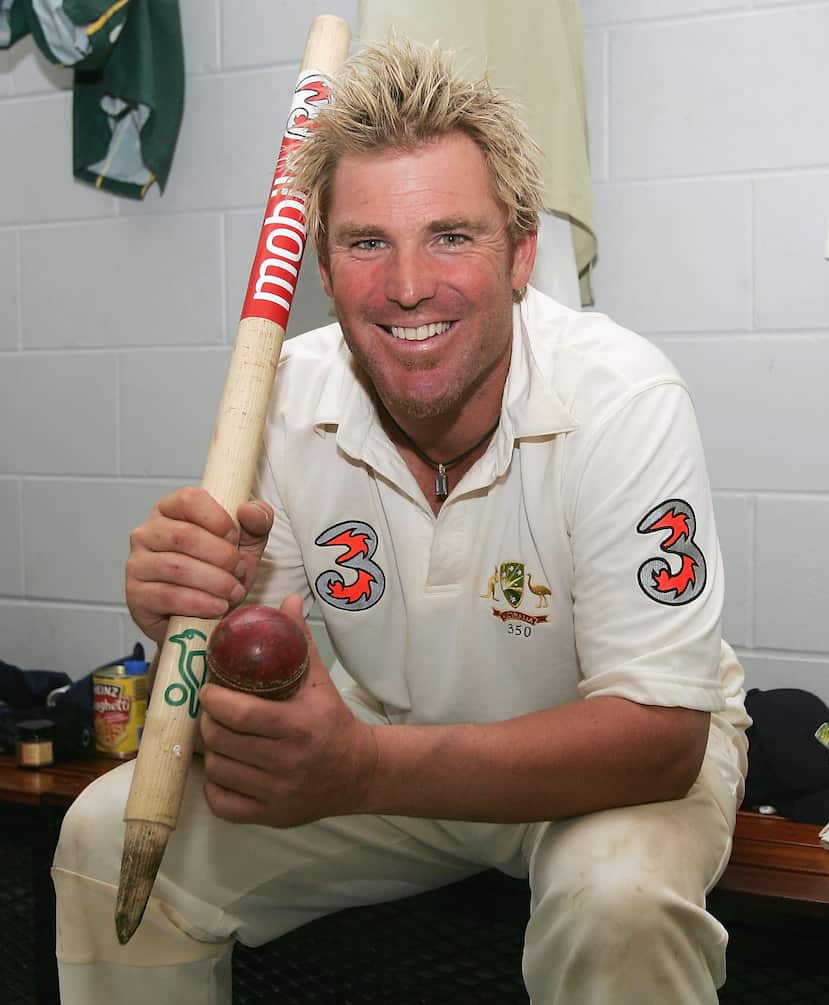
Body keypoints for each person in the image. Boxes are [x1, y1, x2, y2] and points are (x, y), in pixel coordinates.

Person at [52, 37, 749, 1005]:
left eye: (451, 236)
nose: (408, 283)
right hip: (390, 746)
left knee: (618, 902)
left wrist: (362, 768)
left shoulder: (622, 396)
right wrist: (190, 622)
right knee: (102, 835)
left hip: (600, 772)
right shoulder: (286, 395)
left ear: (520, 253)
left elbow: (658, 739)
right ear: (325, 271)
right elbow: (262, 690)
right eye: (366, 241)